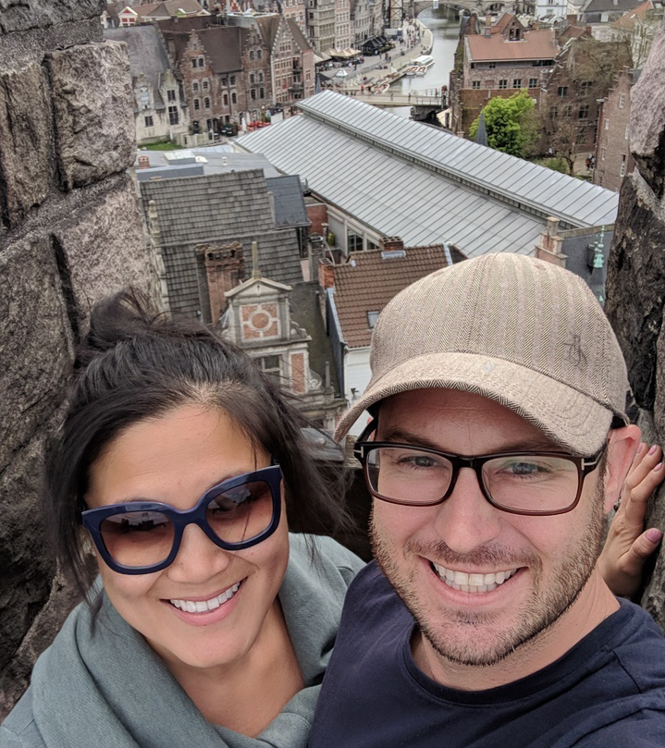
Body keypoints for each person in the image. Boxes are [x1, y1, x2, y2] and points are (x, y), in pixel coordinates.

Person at [308, 253, 665, 747]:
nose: (461, 534)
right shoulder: (380, 591)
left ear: (614, 471)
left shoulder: (629, 729)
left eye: (525, 467)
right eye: (417, 459)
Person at [0, 290, 364, 748]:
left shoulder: (359, 587)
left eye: (233, 502)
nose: (199, 566)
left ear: (282, 489)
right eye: (137, 525)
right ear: (88, 535)